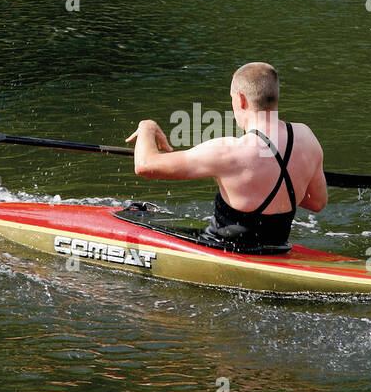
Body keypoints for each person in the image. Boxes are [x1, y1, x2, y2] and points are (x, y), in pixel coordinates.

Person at [125, 62, 327, 252]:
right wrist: (280, 184)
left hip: (222, 250)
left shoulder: (227, 152)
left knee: (135, 215)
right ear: (274, 96)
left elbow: (144, 165)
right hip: (276, 250)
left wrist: (147, 127)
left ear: (241, 99)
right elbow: (317, 202)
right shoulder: (306, 137)